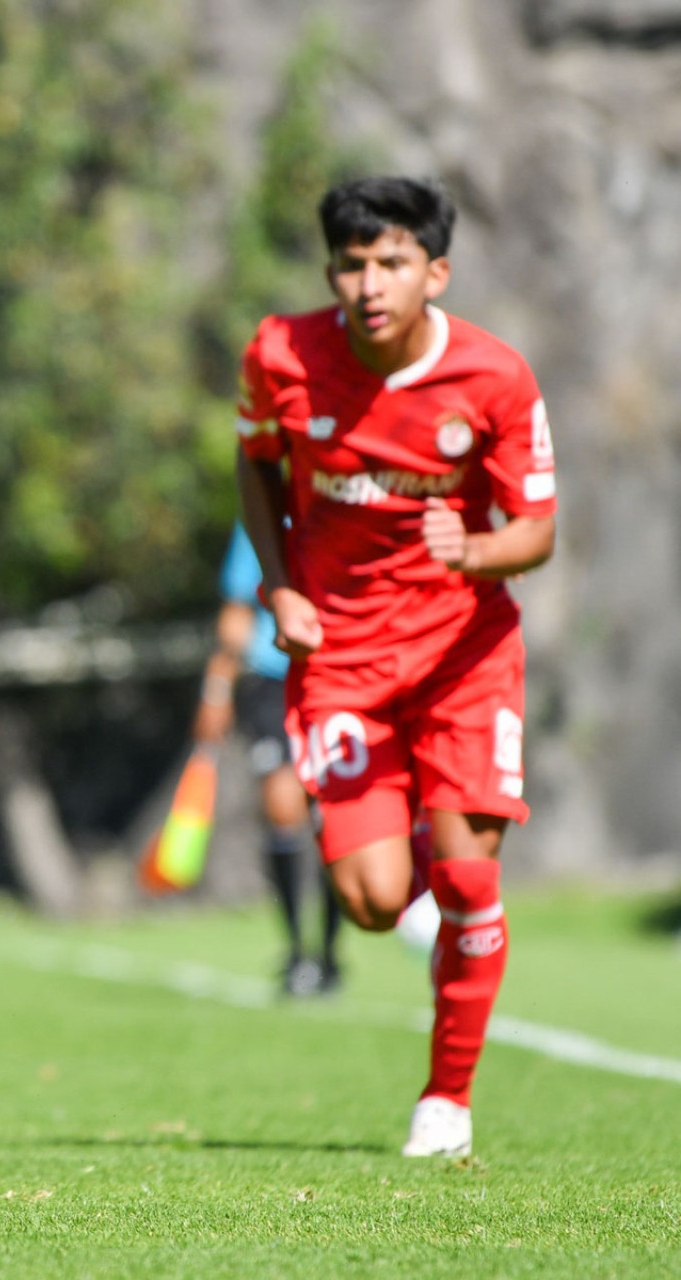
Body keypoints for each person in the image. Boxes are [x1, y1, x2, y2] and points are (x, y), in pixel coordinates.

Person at [235, 176, 557, 1158]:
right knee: (376, 903)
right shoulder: (281, 354)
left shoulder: (495, 377)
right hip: (342, 657)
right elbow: (255, 463)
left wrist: (475, 550)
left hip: (464, 655)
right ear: (331, 270)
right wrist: (279, 588)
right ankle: (418, 818)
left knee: (465, 876)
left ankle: (446, 1100)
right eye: (351, 264)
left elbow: (536, 531)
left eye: (392, 262)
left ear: (435, 272)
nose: (370, 283)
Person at [193, 523, 339, 996]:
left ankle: (330, 953)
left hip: (339, 675)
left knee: (334, 815)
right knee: (282, 808)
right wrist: (217, 689)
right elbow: (237, 610)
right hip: (273, 680)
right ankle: (297, 949)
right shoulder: (262, 514)